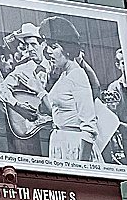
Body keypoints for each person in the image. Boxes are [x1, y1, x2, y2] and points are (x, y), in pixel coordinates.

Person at [39, 16, 98, 162]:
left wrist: (81, 167)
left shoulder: (77, 75)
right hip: (61, 143)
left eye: (54, 47)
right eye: (48, 47)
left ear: (67, 48)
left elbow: (89, 126)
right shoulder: (65, 74)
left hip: (73, 146)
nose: (49, 53)